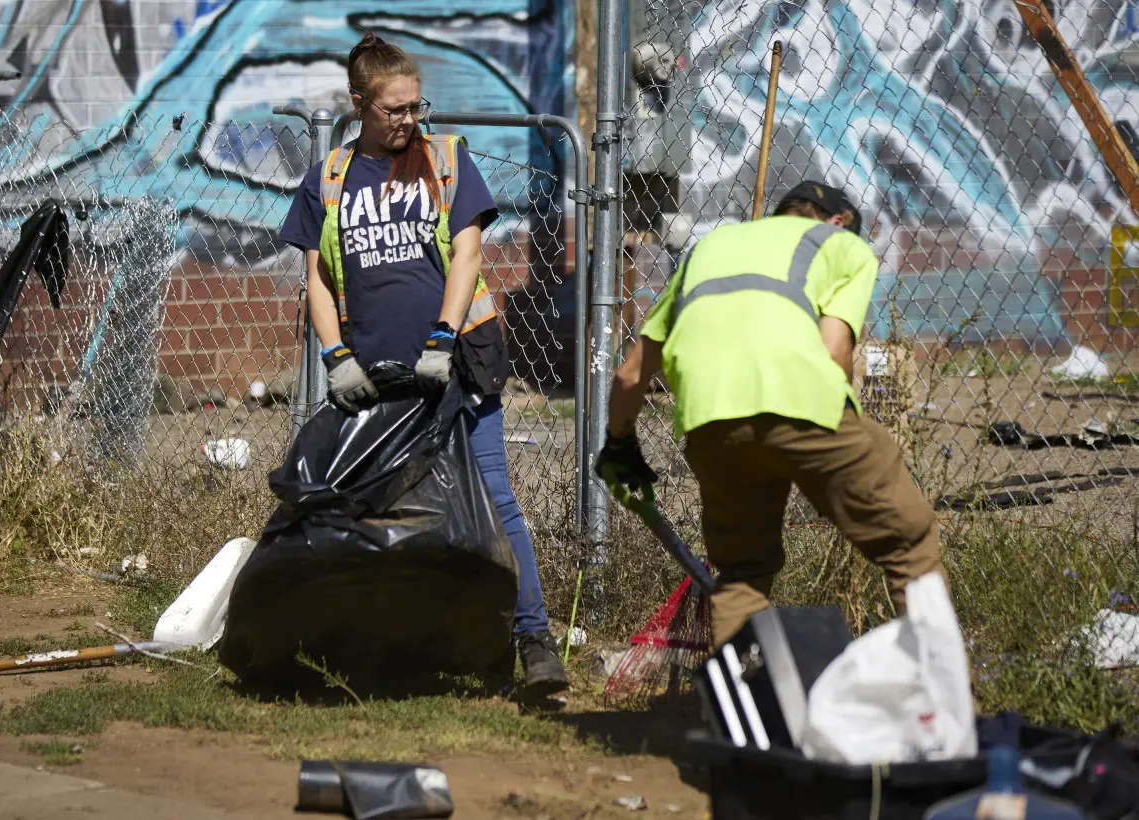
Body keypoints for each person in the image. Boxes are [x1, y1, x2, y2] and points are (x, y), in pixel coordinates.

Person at [278, 32, 569, 698]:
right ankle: (410, 648)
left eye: (416, 105)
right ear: (359, 105)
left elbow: (467, 255)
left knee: (493, 498)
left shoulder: (445, 160)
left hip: (458, 363)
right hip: (376, 377)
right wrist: (336, 357)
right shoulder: (328, 178)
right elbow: (318, 277)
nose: (410, 119)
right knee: (386, 511)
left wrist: (441, 339)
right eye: (395, 110)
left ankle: (535, 646)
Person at [595, 181, 950, 647]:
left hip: (711, 423)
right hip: (804, 404)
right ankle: (947, 705)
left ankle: (739, 711)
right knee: (909, 541)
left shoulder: (711, 248)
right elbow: (834, 352)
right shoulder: (838, 244)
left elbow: (628, 375)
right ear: (838, 222)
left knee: (742, 571)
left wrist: (619, 443)